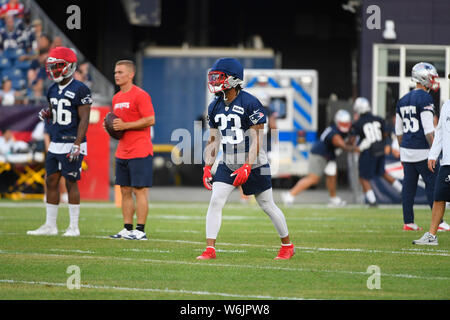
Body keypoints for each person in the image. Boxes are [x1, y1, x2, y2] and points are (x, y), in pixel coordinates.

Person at [198, 57, 294, 260]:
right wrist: (208, 167)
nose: (214, 82)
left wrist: (248, 166)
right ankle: (210, 249)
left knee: (267, 205)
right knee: (215, 201)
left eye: (219, 77)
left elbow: (257, 138)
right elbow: (214, 140)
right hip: (229, 159)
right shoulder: (214, 106)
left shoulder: (250, 102)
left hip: (255, 161)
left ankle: (287, 245)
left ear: (233, 79)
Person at [27, 46, 92, 237]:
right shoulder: (53, 89)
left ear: (69, 67)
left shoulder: (80, 89)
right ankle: (50, 225)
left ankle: (73, 227)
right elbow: (53, 111)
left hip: (72, 141)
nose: (53, 71)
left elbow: (84, 119)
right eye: (52, 66)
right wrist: (47, 113)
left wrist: (77, 144)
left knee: (71, 181)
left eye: (57, 66)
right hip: (56, 141)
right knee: (51, 181)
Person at [395, 62, 450, 231]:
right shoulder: (425, 98)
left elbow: (398, 131)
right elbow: (428, 130)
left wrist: (403, 149)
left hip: (406, 149)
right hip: (422, 149)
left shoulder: (403, 99)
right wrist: (435, 151)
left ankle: (408, 222)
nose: (434, 80)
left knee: (408, 187)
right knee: (434, 186)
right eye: (432, 77)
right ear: (423, 78)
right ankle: (439, 223)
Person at [108, 60, 155, 241]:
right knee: (124, 190)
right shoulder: (116, 98)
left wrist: (125, 125)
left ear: (130, 74)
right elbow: (118, 126)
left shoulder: (140, 95)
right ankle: (127, 229)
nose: (117, 75)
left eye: (120, 72)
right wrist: (111, 128)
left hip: (140, 150)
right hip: (122, 151)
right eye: (115, 72)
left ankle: (140, 230)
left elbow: (150, 119)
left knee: (139, 190)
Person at [282, 109, 353, 207]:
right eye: (343, 123)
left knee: (332, 177)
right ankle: (289, 195)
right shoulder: (334, 131)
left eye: (346, 124)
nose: (345, 126)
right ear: (337, 122)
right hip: (319, 154)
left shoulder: (344, 130)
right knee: (313, 179)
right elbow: (341, 144)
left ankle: (333, 199)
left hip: (329, 156)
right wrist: (357, 148)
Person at [350, 97, 403, 206]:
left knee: (363, 177)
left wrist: (358, 146)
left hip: (369, 151)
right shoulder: (378, 119)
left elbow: (352, 139)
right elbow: (385, 135)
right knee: (382, 173)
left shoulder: (358, 123)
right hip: (381, 149)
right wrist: (385, 145)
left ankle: (372, 201)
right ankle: (403, 191)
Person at [413, 96, 450, 244]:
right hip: (447, 162)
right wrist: (433, 154)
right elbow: (440, 131)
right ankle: (431, 236)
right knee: (439, 198)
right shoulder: (447, 104)